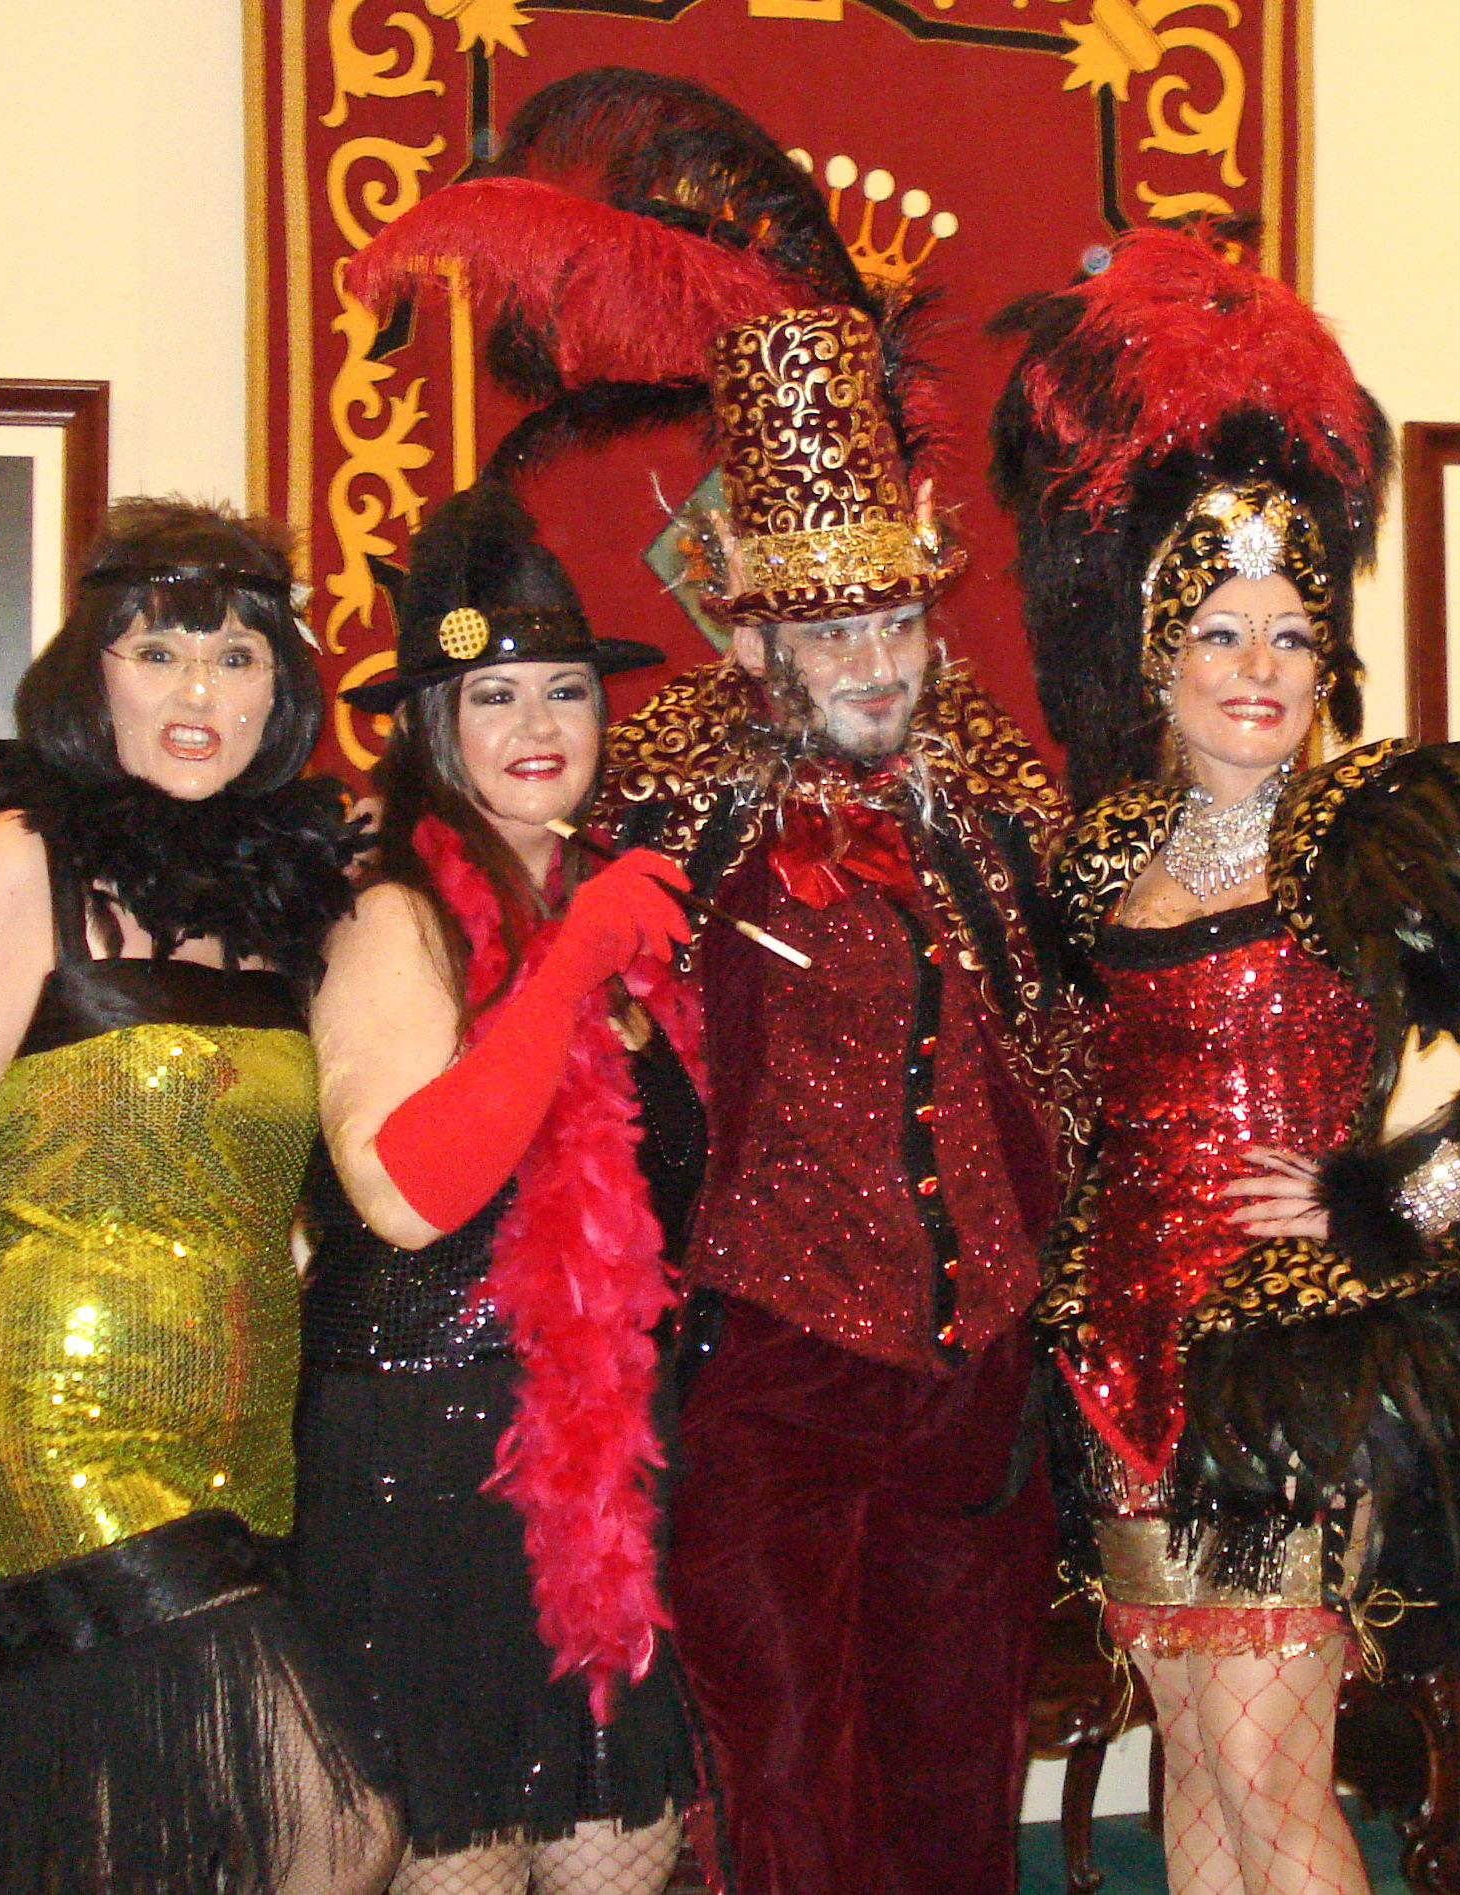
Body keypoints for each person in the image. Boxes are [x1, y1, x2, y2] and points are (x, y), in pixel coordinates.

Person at [995, 224, 1460, 1895]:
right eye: (1222, 634)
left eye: (1290, 635)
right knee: (1193, 1761)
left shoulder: (1368, 833)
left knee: (1276, 1775)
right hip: (1113, 1344)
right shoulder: (1097, 855)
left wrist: (1394, 1201)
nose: (1259, 670)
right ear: (1158, 653)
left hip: (1293, 1357)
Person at [0, 499, 393, 1895]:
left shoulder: (285, 903)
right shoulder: (16, 863)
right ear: (89, 676)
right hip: (57, 1436)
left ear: (281, 692)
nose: (197, 693)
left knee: (143, 1852)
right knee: (335, 1828)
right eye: (157, 652)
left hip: (242, 1442)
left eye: (235, 658)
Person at [591, 303, 1070, 1895]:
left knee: (958, 1767)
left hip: (976, 1379)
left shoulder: (988, 801)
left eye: (896, 621)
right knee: (790, 1775)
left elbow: (1062, 1042)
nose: (875, 662)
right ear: (753, 642)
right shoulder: (671, 812)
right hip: (777, 1369)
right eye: (833, 630)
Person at [296, 482, 711, 1895]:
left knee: (622, 1847)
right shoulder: (393, 915)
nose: (538, 724)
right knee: (462, 1859)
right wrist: (574, 960)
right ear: (433, 724)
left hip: (603, 1461)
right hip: (426, 1457)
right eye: (493, 695)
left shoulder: (611, 909)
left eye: (565, 690)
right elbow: (405, 1195)